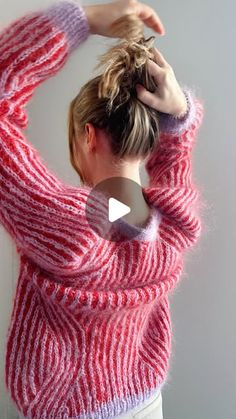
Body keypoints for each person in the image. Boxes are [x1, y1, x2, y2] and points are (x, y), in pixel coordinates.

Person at [0, 0, 204, 418]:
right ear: (147, 138)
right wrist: (179, 116)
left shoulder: (71, 227)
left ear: (88, 136)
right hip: (147, 401)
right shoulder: (173, 227)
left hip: (71, 410)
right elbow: (175, 169)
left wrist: (82, 21)